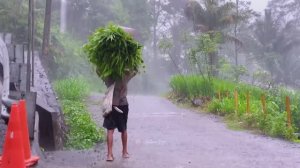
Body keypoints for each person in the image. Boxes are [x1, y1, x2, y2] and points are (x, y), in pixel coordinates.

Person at [102, 70, 136, 162]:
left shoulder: (107, 76)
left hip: (111, 105)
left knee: (110, 130)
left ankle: (109, 155)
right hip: (122, 105)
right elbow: (135, 71)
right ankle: (124, 152)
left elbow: (98, 71)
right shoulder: (125, 76)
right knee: (123, 129)